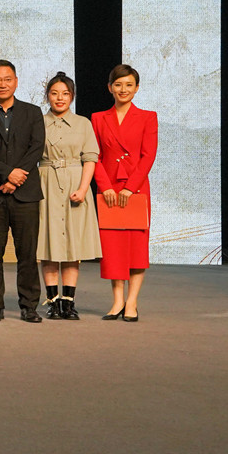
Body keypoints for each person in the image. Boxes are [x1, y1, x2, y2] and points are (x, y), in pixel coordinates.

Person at [0, 60, 47, 323]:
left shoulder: (33, 112)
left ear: (16, 81)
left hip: (26, 194)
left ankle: (29, 306)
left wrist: (16, 178)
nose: (2, 84)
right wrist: (7, 174)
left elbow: (36, 148)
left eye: (7, 79)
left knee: (28, 253)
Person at [91, 64, 158, 322]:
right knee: (113, 248)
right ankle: (118, 300)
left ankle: (132, 302)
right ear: (110, 88)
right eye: (118, 85)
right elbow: (94, 156)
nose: (123, 89)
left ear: (137, 88)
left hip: (136, 189)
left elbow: (148, 155)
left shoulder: (148, 117)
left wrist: (130, 187)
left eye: (129, 85)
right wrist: (105, 185)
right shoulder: (98, 118)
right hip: (109, 188)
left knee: (137, 247)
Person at [37, 72, 100, 320]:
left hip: (76, 181)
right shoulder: (38, 122)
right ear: (47, 96)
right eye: (54, 93)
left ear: (72, 96)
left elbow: (90, 158)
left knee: (73, 247)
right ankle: (53, 302)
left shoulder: (83, 123)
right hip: (46, 183)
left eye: (65, 93)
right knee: (49, 244)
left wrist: (83, 189)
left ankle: (69, 302)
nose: (59, 98)